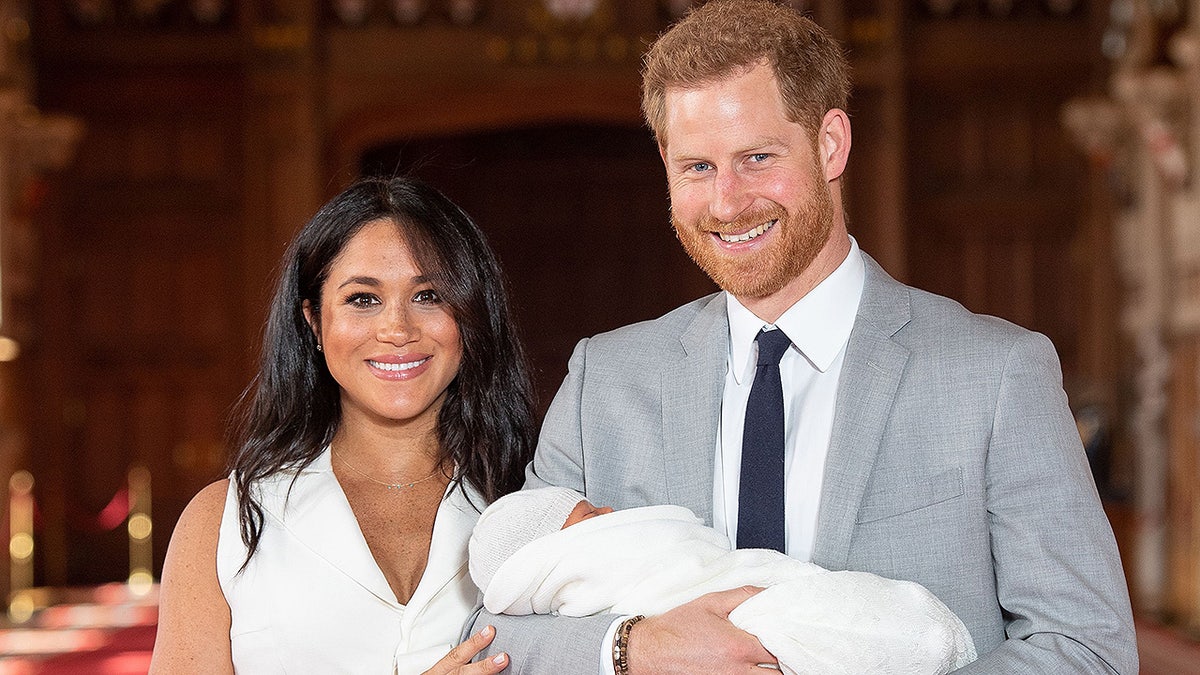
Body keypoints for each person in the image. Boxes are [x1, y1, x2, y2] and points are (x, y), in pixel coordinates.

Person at [478, 1, 1138, 673]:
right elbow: (493, 630)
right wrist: (633, 648)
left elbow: (1087, 647)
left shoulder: (997, 374)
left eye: (757, 157)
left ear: (830, 145)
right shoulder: (605, 381)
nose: (728, 202)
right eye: (697, 167)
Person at [151, 176, 535, 674]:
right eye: (362, 299)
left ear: (471, 316)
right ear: (314, 320)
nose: (397, 329)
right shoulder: (221, 525)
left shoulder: (533, 500)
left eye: (430, 295)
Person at [468, 486, 977, 675]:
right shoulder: (595, 375)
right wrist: (633, 649)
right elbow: (492, 633)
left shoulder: (1004, 365)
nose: (610, 511)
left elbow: (1055, 632)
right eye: (591, 514)